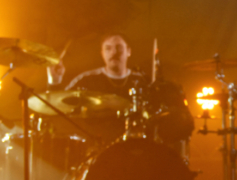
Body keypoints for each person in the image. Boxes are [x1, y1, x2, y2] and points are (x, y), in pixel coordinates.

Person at [48, 34, 193, 147]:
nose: (114, 52)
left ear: (128, 51)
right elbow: (57, 105)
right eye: (108, 48)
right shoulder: (86, 80)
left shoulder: (144, 82)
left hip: (137, 147)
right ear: (102, 53)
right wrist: (55, 81)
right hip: (96, 147)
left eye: (119, 47)